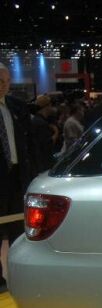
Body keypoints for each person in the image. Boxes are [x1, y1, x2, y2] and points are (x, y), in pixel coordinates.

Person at [0, 62, 34, 292]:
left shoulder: (17, 107)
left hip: (17, 177)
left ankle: (18, 274)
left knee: (18, 231)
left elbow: (29, 144)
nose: (3, 85)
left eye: (6, 81)